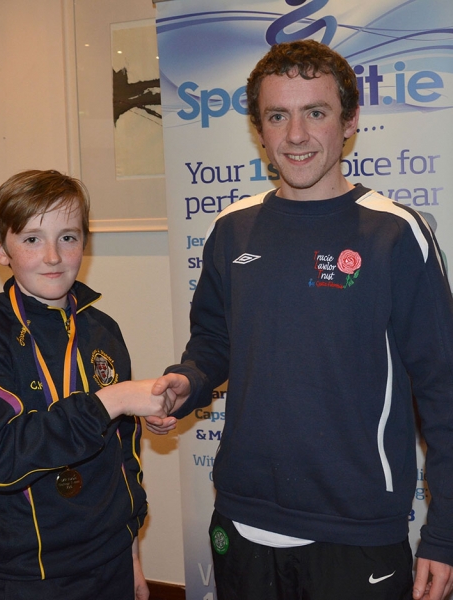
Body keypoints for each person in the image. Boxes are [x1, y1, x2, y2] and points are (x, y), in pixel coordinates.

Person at [146, 40, 453, 600]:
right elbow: (215, 341)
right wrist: (188, 381)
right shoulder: (231, 229)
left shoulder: (395, 234)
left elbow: (443, 389)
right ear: (259, 130)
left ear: (350, 121)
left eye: (315, 112)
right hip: (242, 516)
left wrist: (445, 532)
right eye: (277, 116)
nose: (295, 135)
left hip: (356, 529)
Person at [0, 169, 172, 600]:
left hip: (111, 558)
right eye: (32, 239)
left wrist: (131, 553)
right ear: (0, 248)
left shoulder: (103, 329)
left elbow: (124, 454)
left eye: (67, 237)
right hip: (30, 572)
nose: (53, 256)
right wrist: (110, 401)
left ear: (85, 242)